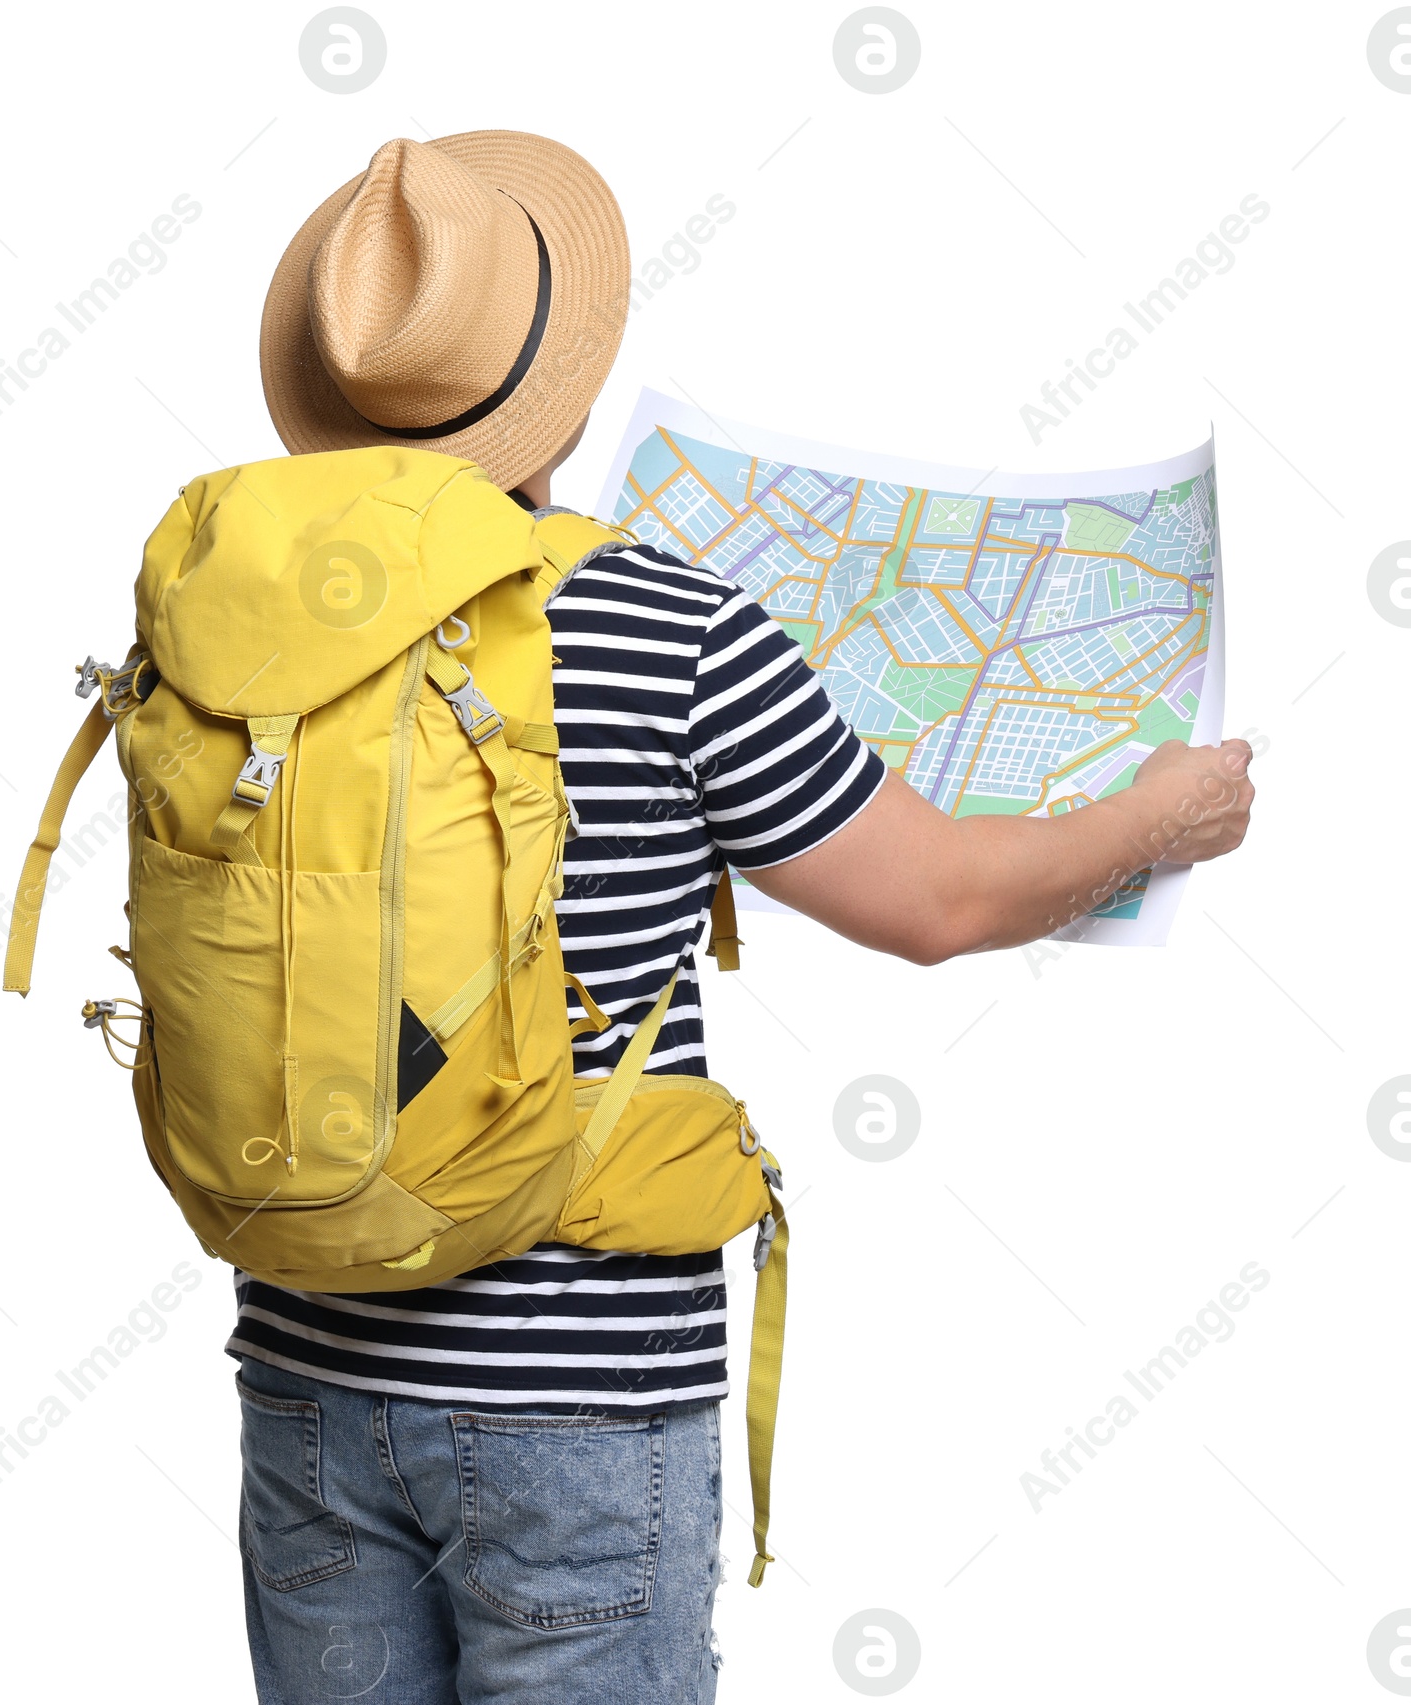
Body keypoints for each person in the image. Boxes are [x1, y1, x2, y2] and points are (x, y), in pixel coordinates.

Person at [231, 130, 1255, 1705]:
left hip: (303, 1372)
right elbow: (937, 899)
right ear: (561, 400)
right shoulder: (666, 622)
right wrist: (1163, 814)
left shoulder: (230, 637)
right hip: (575, 1409)